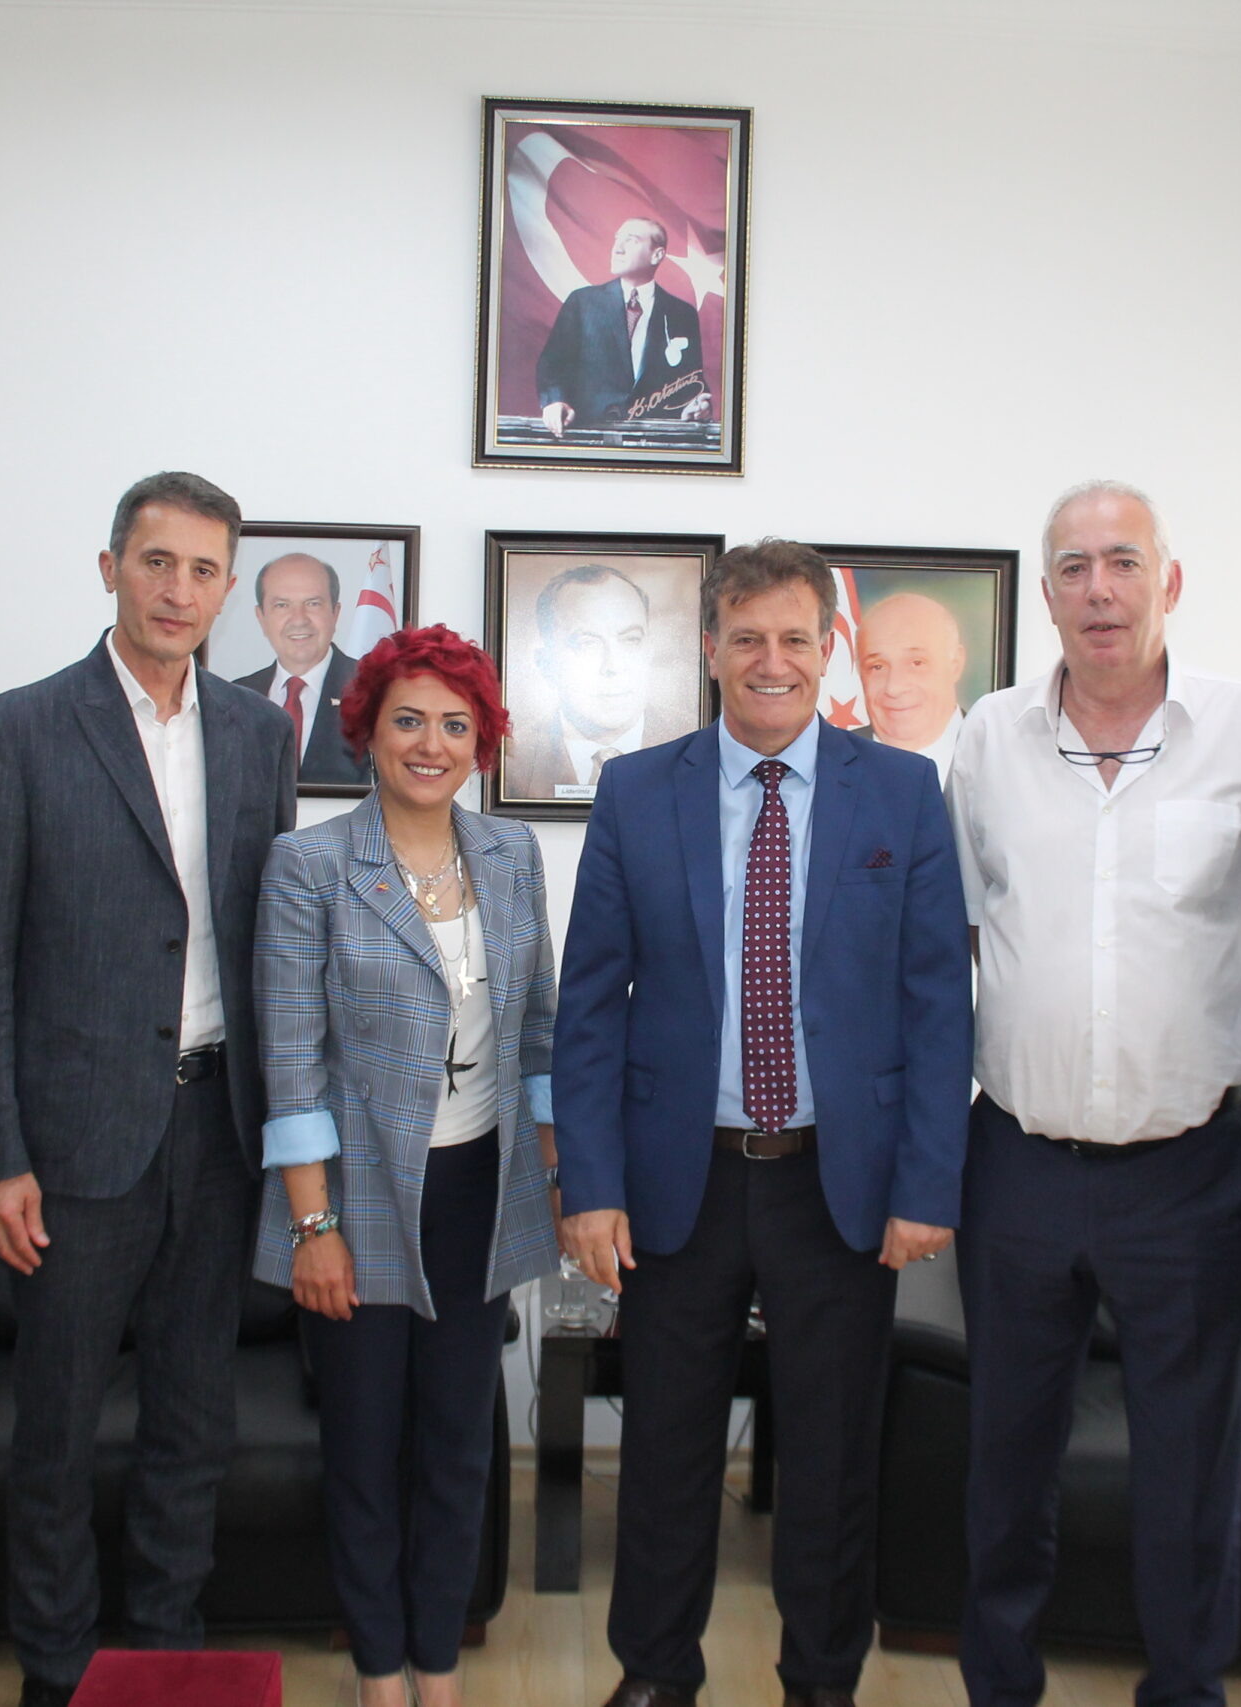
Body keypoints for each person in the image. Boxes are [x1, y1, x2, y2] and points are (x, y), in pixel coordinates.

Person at [555, 539, 972, 1707]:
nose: (771, 660)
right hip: (678, 1178)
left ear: (827, 648)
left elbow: (937, 1003)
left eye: (794, 637)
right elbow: (588, 1006)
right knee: (664, 1449)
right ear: (710, 649)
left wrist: (926, 1184)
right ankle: (653, 1675)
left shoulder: (901, 792)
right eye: (746, 638)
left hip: (838, 1180)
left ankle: (821, 1681)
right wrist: (590, 1185)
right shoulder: (640, 791)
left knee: (833, 1458)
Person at [0, 471, 298, 1707]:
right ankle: (54, 1673)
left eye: (203, 570)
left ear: (228, 589)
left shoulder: (259, 735)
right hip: (72, 1143)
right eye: (156, 562)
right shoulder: (21, 729)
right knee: (56, 1426)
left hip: (219, 1128)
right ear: (110, 569)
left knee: (194, 1422)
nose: (177, 591)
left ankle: (163, 1656)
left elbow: (266, 940)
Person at [946, 481, 1241, 1707]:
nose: (1099, 590)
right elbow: (963, 934)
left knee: (1190, 1470)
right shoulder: (986, 741)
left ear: (1168, 582)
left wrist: (1192, 1049)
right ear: (1046, 595)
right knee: (1005, 1460)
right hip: (1018, 1167)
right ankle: (1000, 1686)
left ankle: (1185, 1690)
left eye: (1123, 562)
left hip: (1188, 1173)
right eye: (1074, 568)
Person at [252, 624, 562, 1707]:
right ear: (368, 731)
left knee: (459, 1450)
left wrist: (556, 1179)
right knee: (365, 1452)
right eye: (409, 721)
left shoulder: (512, 857)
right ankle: (379, 1675)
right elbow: (292, 1061)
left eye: (455, 725)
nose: (431, 744)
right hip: (361, 1199)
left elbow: (539, 1031)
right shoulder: (311, 866)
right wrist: (313, 1227)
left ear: (481, 743)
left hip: (481, 1192)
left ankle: (439, 1671)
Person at [536, 217, 712, 435]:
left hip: (654, 440)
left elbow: (691, 381)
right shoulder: (581, 302)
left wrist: (696, 407)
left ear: (657, 255)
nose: (617, 248)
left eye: (631, 240)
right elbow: (552, 365)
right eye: (617, 239)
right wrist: (555, 401)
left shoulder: (682, 313)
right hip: (589, 435)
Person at [505, 563, 659, 799]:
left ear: (649, 650)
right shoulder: (511, 763)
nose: (613, 666)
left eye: (631, 640)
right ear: (546, 663)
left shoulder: (696, 746)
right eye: (587, 643)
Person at [232, 551, 369, 786]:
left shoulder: (374, 691)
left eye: (313, 604)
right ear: (261, 618)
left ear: (335, 613)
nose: (299, 619)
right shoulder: (235, 698)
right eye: (282, 605)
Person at [854, 591, 967, 782]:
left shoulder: (1002, 755)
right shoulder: (825, 764)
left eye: (916, 663)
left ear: (955, 665)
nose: (894, 687)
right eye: (877, 667)